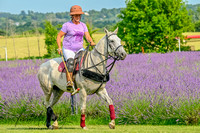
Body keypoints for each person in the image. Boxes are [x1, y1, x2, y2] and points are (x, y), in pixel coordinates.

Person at [57, 5, 95, 87]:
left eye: (79, 15)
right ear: (72, 16)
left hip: (79, 48)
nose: (78, 17)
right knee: (71, 62)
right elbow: (59, 36)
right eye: (76, 15)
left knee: (87, 60)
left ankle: (85, 79)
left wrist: (91, 42)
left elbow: (87, 36)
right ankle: (69, 82)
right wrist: (59, 48)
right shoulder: (67, 25)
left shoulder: (83, 25)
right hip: (68, 49)